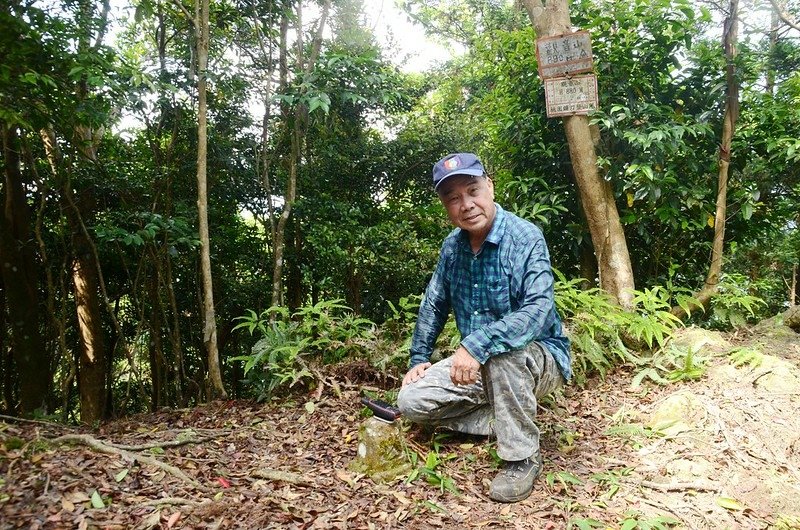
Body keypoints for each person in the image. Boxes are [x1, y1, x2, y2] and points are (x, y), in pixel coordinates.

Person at [397, 152, 571, 503]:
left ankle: (521, 457)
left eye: (473, 190)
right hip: (477, 366)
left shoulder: (525, 237)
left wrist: (476, 346)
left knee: (503, 356)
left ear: (490, 186)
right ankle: (502, 419)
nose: (467, 204)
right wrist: (419, 358)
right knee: (410, 401)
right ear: (446, 206)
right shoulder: (452, 247)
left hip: (536, 358)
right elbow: (435, 303)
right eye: (453, 198)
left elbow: (538, 309)